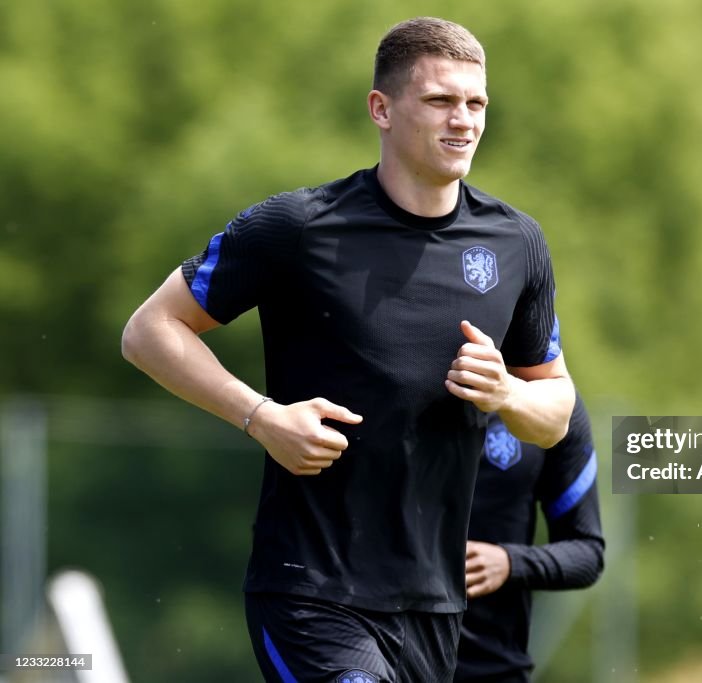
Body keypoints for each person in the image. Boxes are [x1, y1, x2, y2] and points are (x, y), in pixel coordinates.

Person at [121, 17, 574, 683]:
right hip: (310, 589)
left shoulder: (517, 243)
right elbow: (150, 331)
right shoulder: (296, 226)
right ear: (381, 109)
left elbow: (556, 409)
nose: (464, 121)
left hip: (433, 603)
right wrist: (261, 415)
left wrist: (508, 392)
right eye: (440, 101)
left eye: (476, 103)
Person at [456, 392, 604, 683]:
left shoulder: (554, 405)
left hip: (490, 666)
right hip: (382, 649)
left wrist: (510, 563)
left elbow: (588, 553)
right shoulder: (386, 378)